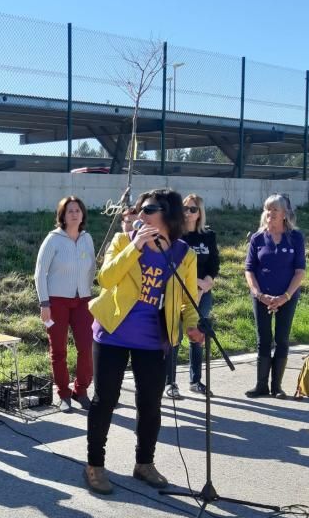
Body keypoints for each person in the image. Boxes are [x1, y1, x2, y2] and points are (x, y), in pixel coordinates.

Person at [85, 188, 204, 495]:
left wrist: (193, 326)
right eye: (139, 209)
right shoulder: (123, 241)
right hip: (112, 332)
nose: (141, 215)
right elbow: (106, 279)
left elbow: (188, 302)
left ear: (168, 214)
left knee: (150, 404)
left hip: (153, 339)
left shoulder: (183, 254)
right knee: (105, 400)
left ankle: (144, 463)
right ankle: (95, 465)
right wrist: (135, 247)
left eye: (148, 209)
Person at [34, 195, 96, 412]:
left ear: (82, 214)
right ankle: (63, 393)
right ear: (62, 215)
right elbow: (40, 274)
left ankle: (81, 390)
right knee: (58, 349)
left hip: (83, 301)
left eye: (77, 210)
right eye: (69, 210)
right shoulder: (53, 239)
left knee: (86, 347)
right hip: (56, 302)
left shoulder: (87, 238)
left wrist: (90, 293)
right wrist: (44, 303)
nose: (74, 214)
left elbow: (93, 268)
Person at [244, 193, 306, 399]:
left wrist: (285, 296)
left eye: (274, 210)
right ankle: (261, 385)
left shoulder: (295, 238)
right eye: (267, 209)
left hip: (287, 297)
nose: (270, 213)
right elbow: (249, 269)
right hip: (261, 297)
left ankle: (276, 386)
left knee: (281, 339)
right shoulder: (257, 238)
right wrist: (258, 294)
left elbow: (300, 271)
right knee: (263, 339)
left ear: (285, 214)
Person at [164, 193, 220, 398]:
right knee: (174, 336)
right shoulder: (175, 236)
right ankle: (170, 383)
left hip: (202, 294)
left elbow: (214, 264)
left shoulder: (208, 235)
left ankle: (196, 380)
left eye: (193, 209)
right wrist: (195, 282)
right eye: (185, 208)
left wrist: (206, 283)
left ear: (200, 213)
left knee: (197, 336)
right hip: (178, 292)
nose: (188, 213)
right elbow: (174, 265)